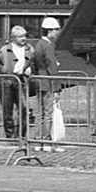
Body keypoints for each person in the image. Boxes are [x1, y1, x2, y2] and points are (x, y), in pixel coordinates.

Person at [0, 26, 36, 139]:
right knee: (7, 110)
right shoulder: (5, 50)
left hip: (22, 82)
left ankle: (21, 134)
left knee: (24, 109)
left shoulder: (30, 50)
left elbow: (36, 64)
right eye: (20, 36)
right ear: (13, 37)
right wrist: (4, 70)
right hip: (7, 82)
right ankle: (10, 135)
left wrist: (31, 70)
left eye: (25, 36)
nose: (24, 39)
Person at [29, 17, 61, 146]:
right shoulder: (48, 46)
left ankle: (38, 138)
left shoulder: (38, 45)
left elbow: (33, 65)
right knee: (48, 113)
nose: (57, 32)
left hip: (38, 81)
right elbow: (52, 67)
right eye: (56, 30)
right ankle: (47, 140)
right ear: (49, 30)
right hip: (47, 82)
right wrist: (57, 88)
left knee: (39, 113)